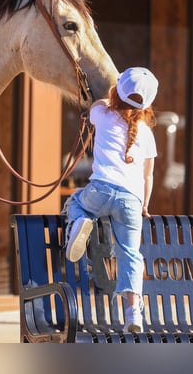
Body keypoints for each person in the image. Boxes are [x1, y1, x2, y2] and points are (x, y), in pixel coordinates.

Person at [64, 66, 159, 333]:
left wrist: (111, 93)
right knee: (131, 254)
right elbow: (147, 176)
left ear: (118, 91)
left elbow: (98, 104)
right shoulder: (147, 134)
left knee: (77, 202)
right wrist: (144, 205)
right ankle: (133, 314)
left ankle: (80, 222)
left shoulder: (103, 114)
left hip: (102, 190)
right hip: (131, 199)